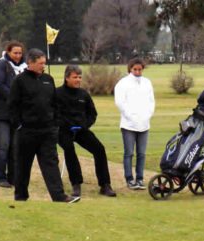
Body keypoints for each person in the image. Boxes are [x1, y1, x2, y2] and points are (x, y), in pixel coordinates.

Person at [8, 48, 75, 203]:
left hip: (47, 131)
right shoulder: (20, 81)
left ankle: (59, 196)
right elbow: (12, 106)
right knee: (23, 166)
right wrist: (18, 125)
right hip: (26, 132)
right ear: (30, 63)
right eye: (40, 63)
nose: (43, 66)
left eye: (44, 63)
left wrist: (55, 123)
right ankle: (21, 197)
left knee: (51, 164)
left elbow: (54, 103)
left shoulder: (48, 79)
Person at [57, 65, 116, 198]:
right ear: (67, 78)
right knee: (69, 149)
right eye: (75, 77)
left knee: (99, 149)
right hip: (63, 130)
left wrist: (84, 125)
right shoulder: (57, 93)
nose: (78, 80)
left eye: (79, 77)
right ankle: (76, 183)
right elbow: (54, 114)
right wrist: (66, 125)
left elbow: (92, 114)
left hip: (81, 130)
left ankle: (105, 184)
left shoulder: (84, 94)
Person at [0, 41, 27, 188]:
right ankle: (1, 177)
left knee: (14, 147)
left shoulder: (24, 67)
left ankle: (13, 177)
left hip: (15, 114)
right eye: (14, 52)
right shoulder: (1, 65)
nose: (17, 56)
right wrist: (14, 96)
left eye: (20, 53)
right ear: (8, 52)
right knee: (3, 145)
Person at [114, 58, 155, 190]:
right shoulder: (123, 83)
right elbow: (120, 103)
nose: (137, 72)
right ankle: (129, 179)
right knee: (129, 153)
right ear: (130, 69)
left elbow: (151, 102)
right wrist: (131, 117)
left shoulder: (147, 83)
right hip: (128, 125)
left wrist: (147, 115)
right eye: (135, 69)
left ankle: (140, 178)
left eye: (140, 69)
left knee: (141, 153)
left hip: (144, 124)